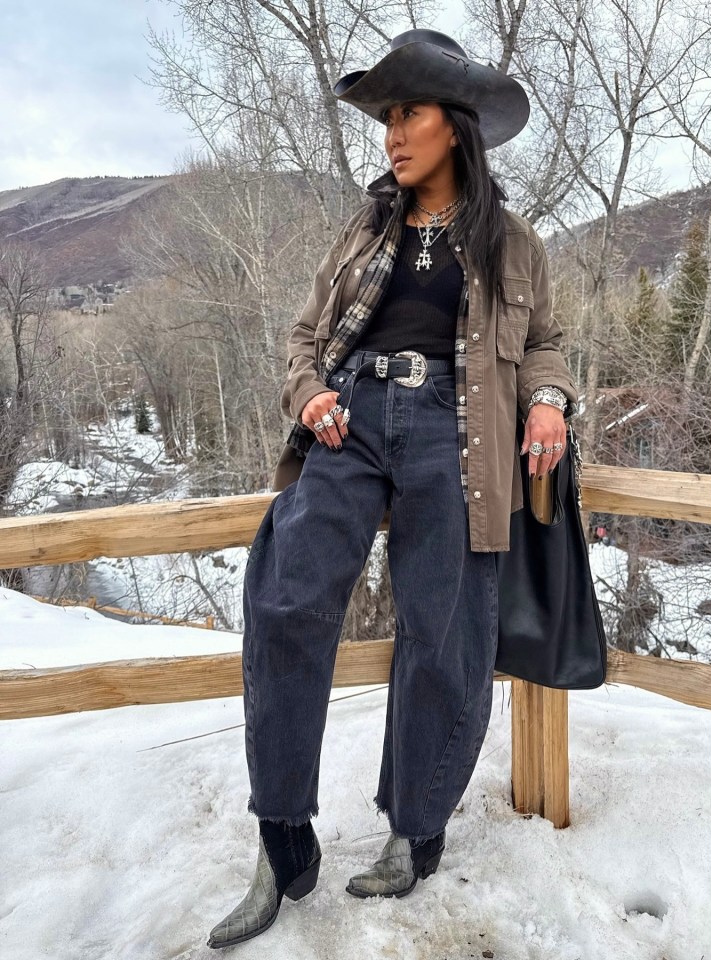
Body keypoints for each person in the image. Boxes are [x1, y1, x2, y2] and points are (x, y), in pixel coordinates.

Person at [207, 29, 579, 950]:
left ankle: (417, 831)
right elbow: (304, 337)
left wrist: (547, 401)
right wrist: (311, 392)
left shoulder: (512, 243)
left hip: (457, 434)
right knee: (287, 598)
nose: (391, 134)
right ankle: (281, 832)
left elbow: (547, 345)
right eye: (386, 117)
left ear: (453, 127)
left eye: (406, 114)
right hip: (354, 419)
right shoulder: (365, 229)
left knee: (442, 626)